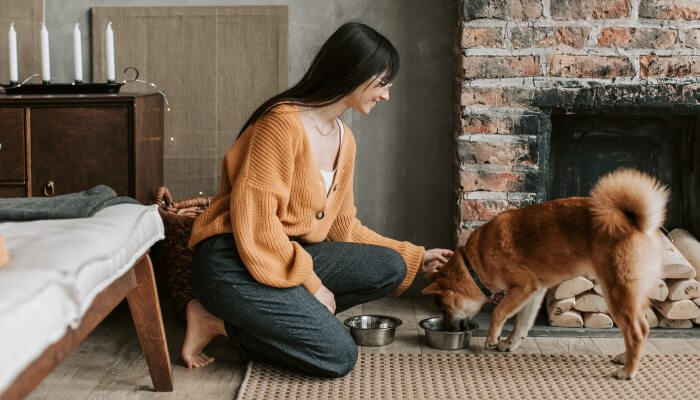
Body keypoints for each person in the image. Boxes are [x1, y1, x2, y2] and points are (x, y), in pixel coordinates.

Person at [181, 22, 453, 377]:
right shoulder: (281, 124)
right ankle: (215, 320)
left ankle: (268, 322)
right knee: (338, 355)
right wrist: (313, 284)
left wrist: (416, 257)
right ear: (356, 73)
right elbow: (258, 227)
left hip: (285, 255)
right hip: (232, 259)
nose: (386, 95)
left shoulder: (345, 139)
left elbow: (343, 228)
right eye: (383, 83)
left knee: (391, 267)